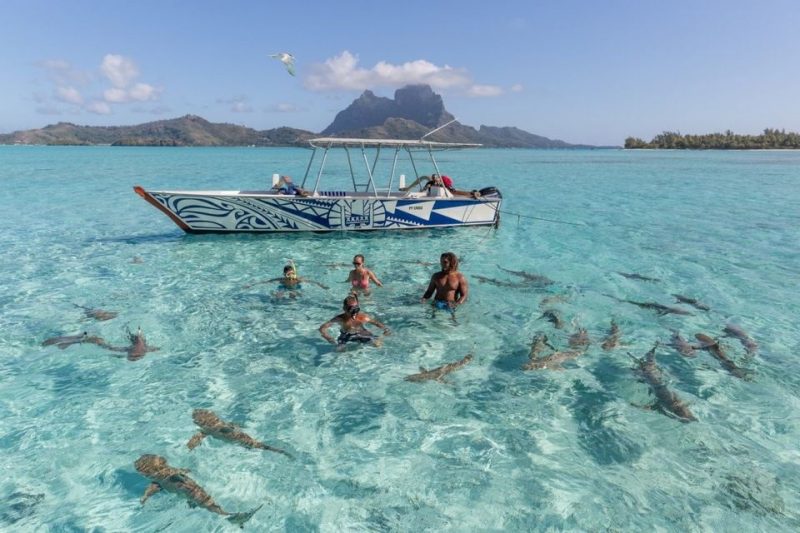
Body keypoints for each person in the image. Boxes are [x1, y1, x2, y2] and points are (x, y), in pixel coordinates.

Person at [319, 293, 390, 350]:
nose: (354, 312)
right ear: (344, 309)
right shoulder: (341, 318)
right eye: (351, 310)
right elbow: (322, 328)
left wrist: (385, 330)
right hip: (346, 335)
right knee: (339, 349)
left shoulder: (362, 317)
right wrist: (328, 337)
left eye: (356, 309)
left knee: (377, 344)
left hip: (362, 333)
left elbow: (376, 323)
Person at [244, 262, 328, 296]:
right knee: (278, 296)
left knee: (294, 296)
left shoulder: (297, 280)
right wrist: (251, 285)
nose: (291, 275)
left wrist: (322, 286)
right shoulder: (282, 280)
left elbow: (311, 282)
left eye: (292, 273)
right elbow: (267, 282)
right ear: (284, 274)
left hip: (295, 287)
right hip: (283, 288)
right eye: (289, 274)